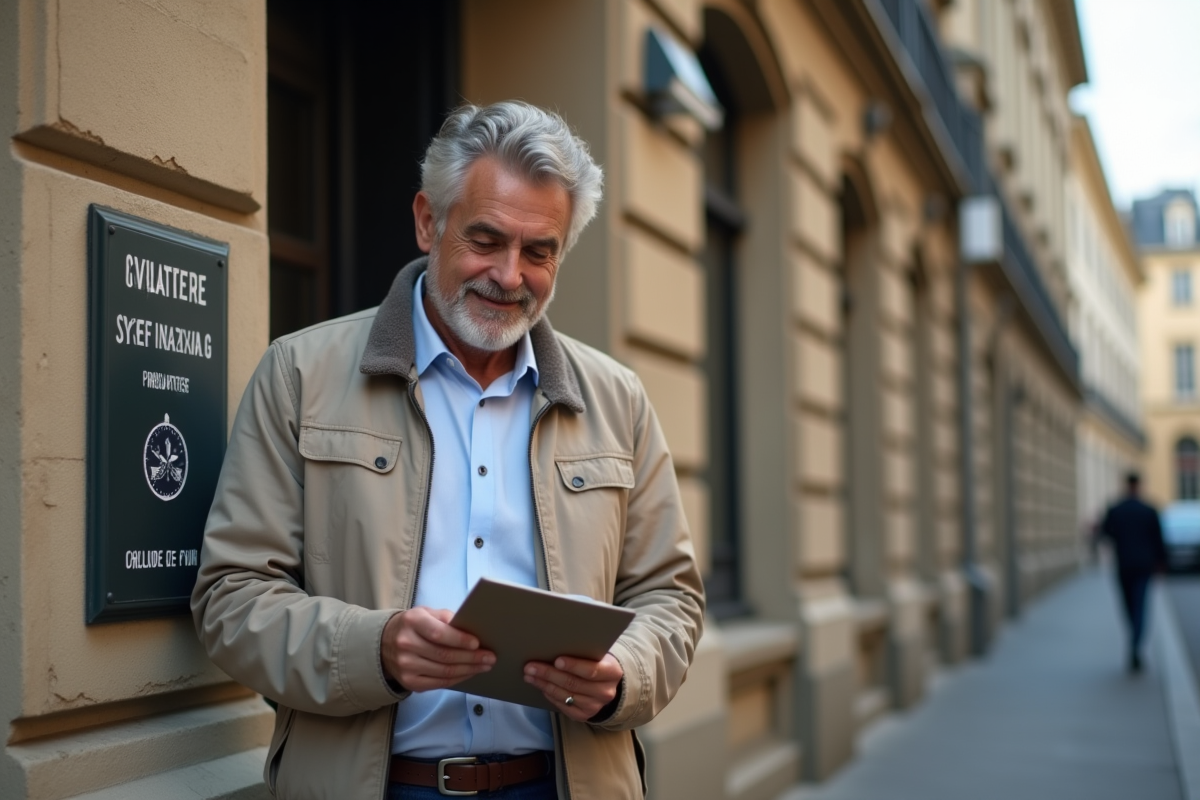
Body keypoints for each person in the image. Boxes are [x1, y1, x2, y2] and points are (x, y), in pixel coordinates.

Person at [191, 101, 705, 799]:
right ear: (428, 221)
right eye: (486, 239)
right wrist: (375, 649)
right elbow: (230, 597)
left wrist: (624, 672)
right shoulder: (299, 375)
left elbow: (670, 600)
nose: (509, 275)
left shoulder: (620, 399)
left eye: (538, 252)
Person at [1097, 472, 1167, 673]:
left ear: (1126, 485)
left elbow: (1105, 534)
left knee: (1128, 606)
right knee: (1140, 606)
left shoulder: (1116, 510)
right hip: (1144, 565)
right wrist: (1162, 563)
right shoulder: (1149, 510)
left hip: (1124, 565)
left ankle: (1133, 641)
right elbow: (1158, 539)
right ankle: (1136, 645)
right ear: (1139, 486)